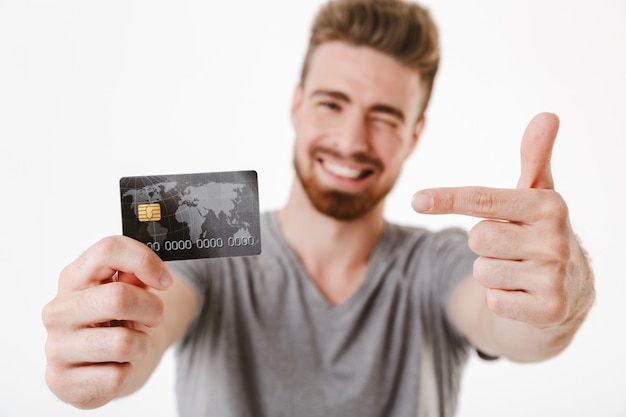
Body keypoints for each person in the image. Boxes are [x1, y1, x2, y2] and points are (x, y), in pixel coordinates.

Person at [41, 0, 595, 416]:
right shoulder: (208, 252)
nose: (352, 139)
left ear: (415, 135)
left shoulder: (438, 262)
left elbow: (517, 327)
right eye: (333, 103)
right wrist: (105, 352)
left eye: (384, 116)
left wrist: (562, 292)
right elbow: (152, 326)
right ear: (297, 105)